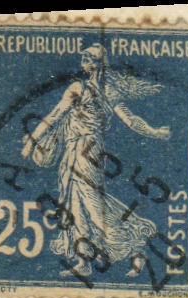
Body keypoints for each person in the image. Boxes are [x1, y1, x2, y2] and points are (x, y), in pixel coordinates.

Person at [20, 44, 171, 278]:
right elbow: (54, 115)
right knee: (73, 204)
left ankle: (134, 243)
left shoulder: (106, 92)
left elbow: (131, 120)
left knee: (92, 203)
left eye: (90, 58)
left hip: (89, 151)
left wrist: (155, 132)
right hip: (73, 150)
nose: (85, 61)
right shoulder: (77, 88)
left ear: (99, 64)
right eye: (84, 57)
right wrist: (32, 140)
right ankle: (85, 260)